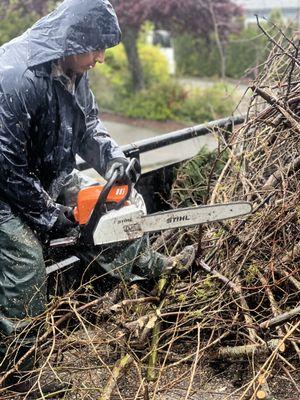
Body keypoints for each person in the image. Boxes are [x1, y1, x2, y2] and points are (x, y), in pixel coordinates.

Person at [0, 0, 194, 396]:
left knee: (111, 206)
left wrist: (114, 161)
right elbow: (6, 167)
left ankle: (145, 264)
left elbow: (87, 124)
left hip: (48, 173)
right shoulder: (17, 76)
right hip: (6, 186)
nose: (101, 59)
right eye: (97, 48)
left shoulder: (72, 68)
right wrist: (50, 217)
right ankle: (20, 371)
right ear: (72, 40)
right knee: (26, 262)